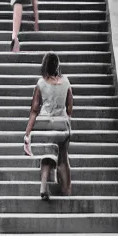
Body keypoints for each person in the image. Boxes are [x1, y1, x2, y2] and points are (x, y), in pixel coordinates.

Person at [23, 52, 74, 201]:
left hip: (44, 122)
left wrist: (27, 134)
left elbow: (34, 110)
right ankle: (66, 191)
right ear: (57, 66)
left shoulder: (41, 83)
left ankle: (43, 185)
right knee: (63, 158)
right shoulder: (66, 82)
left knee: (47, 154)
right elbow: (70, 108)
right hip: (61, 124)